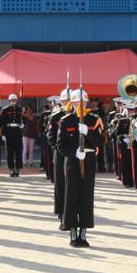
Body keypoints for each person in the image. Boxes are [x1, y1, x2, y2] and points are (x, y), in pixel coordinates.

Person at [59, 89, 103, 248]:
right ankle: (72, 232)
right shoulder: (66, 120)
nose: (80, 104)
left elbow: (100, 141)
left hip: (89, 160)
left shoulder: (94, 119)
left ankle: (83, 232)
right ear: (73, 102)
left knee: (86, 196)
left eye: (83, 102)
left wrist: (88, 134)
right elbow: (60, 146)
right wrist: (74, 153)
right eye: (78, 102)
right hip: (72, 161)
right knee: (71, 196)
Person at [46, 89, 70, 220]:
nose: (67, 103)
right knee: (59, 183)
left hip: (72, 154)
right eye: (65, 100)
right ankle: (60, 210)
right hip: (60, 154)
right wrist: (59, 148)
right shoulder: (55, 116)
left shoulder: (76, 117)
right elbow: (50, 136)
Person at [0, 93, 24, 177]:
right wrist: (3, 134)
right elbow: (2, 122)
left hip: (17, 131)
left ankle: (17, 169)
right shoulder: (5, 110)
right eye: (12, 100)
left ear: (16, 101)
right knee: (9, 152)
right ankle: (11, 169)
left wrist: (23, 125)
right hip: (9, 131)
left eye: (14, 100)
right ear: (9, 101)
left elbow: (23, 120)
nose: (13, 101)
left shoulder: (20, 109)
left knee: (18, 151)